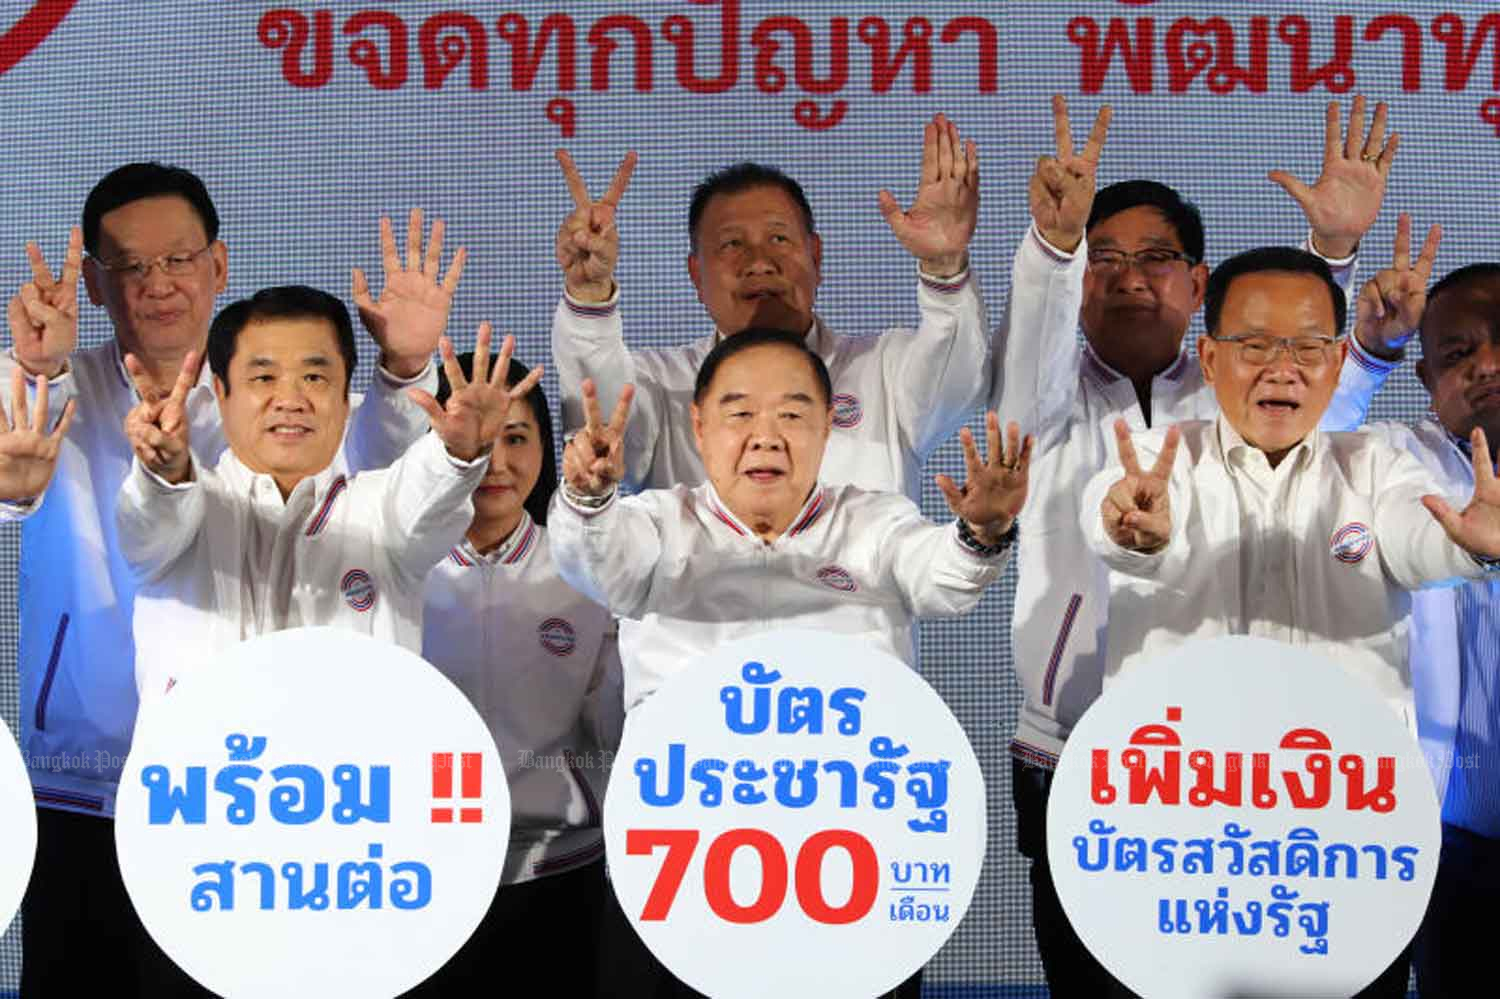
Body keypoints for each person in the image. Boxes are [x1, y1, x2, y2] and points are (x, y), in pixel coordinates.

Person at [0, 164, 461, 996]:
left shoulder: (270, 386)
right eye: (131, 267)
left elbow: (396, 483)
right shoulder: (51, 381)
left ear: (218, 264)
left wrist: (406, 369)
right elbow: (12, 476)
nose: (159, 284)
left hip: (260, 786)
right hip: (81, 775)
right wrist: (36, 378)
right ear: (95, 285)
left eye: (179, 258)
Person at [992, 96, 1402, 996]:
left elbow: (1321, 400)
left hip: (1224, 752)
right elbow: (1029, 364)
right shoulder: (1040, 396)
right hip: (1070, 750)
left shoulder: (1235, 379)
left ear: (1197, 279)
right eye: (1103, 259)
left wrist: (1335, 255)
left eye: (1155, 259)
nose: (1128, 277)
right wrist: (1052, 250)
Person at [549, 329, 1029, 999]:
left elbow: (940, 576)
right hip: (679, 876)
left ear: (829, 427)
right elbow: (595, 562)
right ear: (699, 422)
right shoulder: (655, 522)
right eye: (740, 412)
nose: (766, 436)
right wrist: (589, 500)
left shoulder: (872, 523)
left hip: (850, 874)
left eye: (794, 414)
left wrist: (981, 533)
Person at [1080, 248, 1500, 999]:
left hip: (1343, 857)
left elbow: (1416, 534)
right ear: (1209, 358)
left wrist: (1465, 544)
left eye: (1308, 347)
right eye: (1254, 345)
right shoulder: (1157, 459)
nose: (1283, 367)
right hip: (1178, 852)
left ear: (1339, 362)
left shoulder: (1378, 462)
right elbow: (1118, 516)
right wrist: (1132, 528)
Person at [115, 287, 535, 700]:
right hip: (195, 766)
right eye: (263, 377)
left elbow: (429, 495)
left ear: (344, 392)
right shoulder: (185, 509)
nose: (290, 400)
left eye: (314, 377)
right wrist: (163, 473)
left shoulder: (383, 510)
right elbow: (150, 520)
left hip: (361, 768)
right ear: (220, 394)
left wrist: (457, 453)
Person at [550, 112, 988, 501]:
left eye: (780, 238)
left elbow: (958, 384)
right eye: (731, 244)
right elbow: (601, 427)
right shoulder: (661, 387)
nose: (759, 262)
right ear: (695, 275)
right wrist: (589, 292)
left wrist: (944, 264)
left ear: (816, 257)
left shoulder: (884, 371)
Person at [410, 351, 622, 997]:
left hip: (558, 876)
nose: (496, 463)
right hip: (416, 880)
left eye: (516, 437)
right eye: (477, 436)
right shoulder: (395, 565)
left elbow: (616, 729)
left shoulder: (588, 571)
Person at [1326, 247, 1500, 998]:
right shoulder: (1395, 458)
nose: (1486, 366)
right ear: (1427, 380)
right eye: (1458, 353)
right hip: (1441, 836)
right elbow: (1311, 440)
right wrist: (1368, 353)